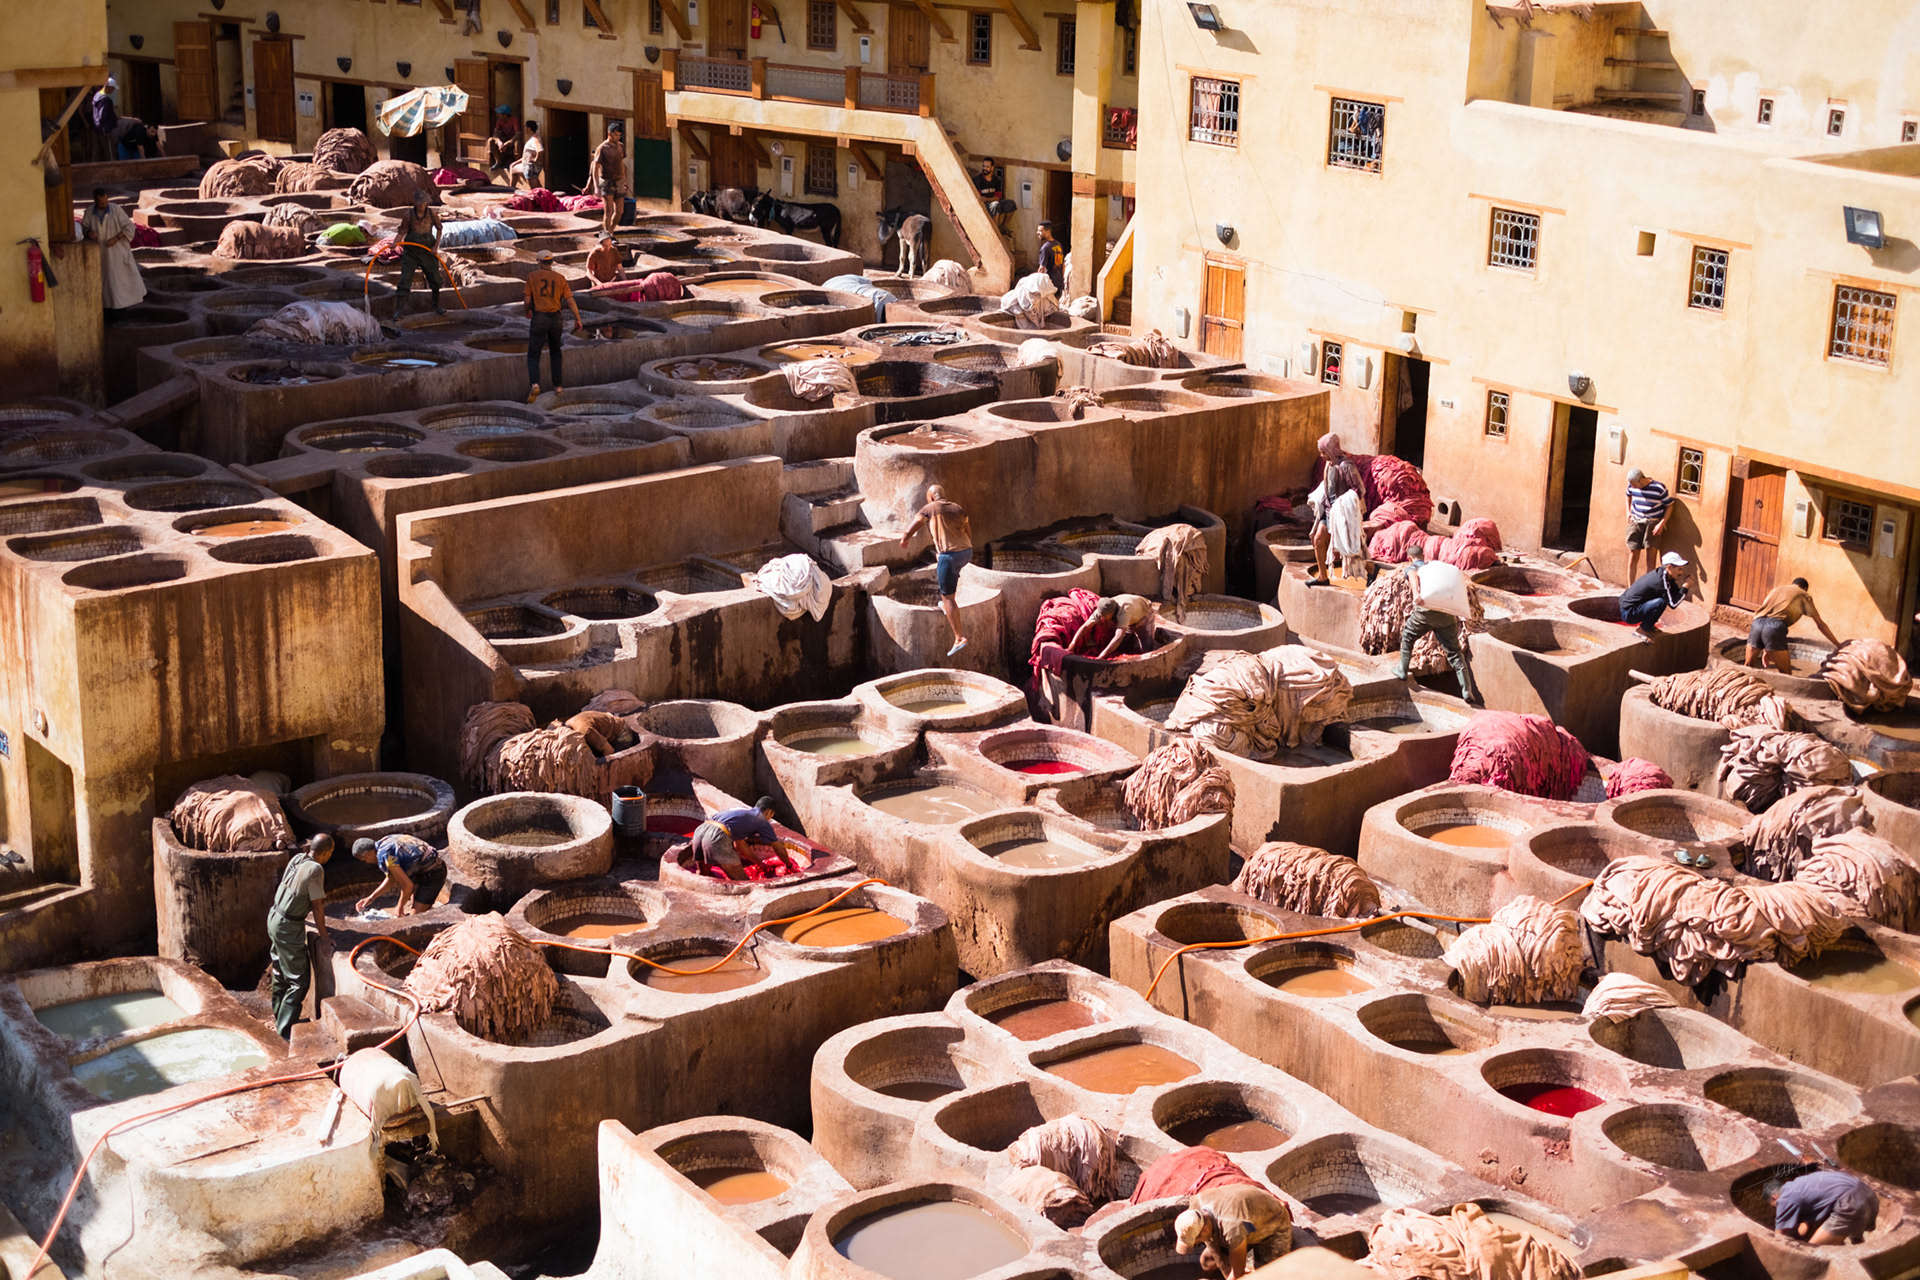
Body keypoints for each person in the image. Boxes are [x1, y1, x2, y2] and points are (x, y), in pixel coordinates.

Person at [1390, 545, 1481, 703]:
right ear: (1424, 556)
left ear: (1409, 558)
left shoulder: (1412, 567)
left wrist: (1416, 593)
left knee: (1408, 635)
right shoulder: (1432, 567)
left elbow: (1412, 576)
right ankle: (1466, 689)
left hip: (1425, 612)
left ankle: (1402, 670)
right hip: (1446, 614)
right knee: (1454, 652)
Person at [267, 835, 334, 1039]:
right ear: (326, 852)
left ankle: (279, 1016)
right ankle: (286, 1029)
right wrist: (324, 938)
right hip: (288, 927)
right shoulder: (316, 869)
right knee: (299, 981)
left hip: (274, 917)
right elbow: (317, 906)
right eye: (331, 853)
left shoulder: (298, 858)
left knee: (279, 970)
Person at [899, 484, 973, 656]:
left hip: (950, 556)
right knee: (945, 567)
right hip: (966, 552)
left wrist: (905, 538)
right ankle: (946, 604)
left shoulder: (930, 508)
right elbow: (968, 532)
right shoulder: (957, 508)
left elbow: (913, 527)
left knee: (948, 597)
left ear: (931, 497)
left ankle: (959, 637)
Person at [1173, 1183, 1292, 1279]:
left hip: (1272, 1229)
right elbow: (1211, 1243)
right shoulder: (1196, 1206)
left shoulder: (1232, 1227)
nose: (1197, 1243)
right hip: (1247, 1224)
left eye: (1197, 1241)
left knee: (1267, 1274)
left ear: (1204, 1230)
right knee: (1207, 1260)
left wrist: (1233, 1273)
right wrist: (1225, 1270)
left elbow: (1238, 1273)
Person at [1308, 431, 1368, 586]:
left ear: (1331, 450)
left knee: (1350, 549)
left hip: (1342, 514)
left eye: (1323, 452)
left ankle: (1371, 572)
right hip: (1329, 510)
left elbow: (1359, 489)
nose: (1321, 456)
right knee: (1318, 540)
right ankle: (1322, 577)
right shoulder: (1328, 465)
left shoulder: (1346, 466)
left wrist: (1343, 502)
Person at [1746, 577, 1841, 672]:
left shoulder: (1776, 590)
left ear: (1792, 584)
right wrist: (1838, 645)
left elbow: (1767, 615)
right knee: (1786, 673)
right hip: (1775, 627)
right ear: (1805, 589)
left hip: (1757, 623)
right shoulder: (1804, 595)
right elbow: (1820, 625)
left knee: (1747, 667)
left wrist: (1767, 649)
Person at [524, 249, 583, 400]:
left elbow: (527, 300)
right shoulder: (560, 278)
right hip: (556, 318)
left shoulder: (532, 276)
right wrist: (578, 318)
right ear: (551, 262)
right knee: (555, 352)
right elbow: (570, 300)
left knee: (534, 353)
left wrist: (527, 310)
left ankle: (535, 384)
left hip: (539, 318)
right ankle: (558, 386)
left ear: (539, 262)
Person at [79, 188, 146, 321]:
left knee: (118, 286)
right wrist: (88, 232)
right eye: (101, 203)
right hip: (101, 256)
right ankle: (108, 319)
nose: (105, 205)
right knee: (105, 287)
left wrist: (116, 238)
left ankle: (121, 319)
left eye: (106, 202)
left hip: (117, 255)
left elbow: (130, 227)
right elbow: (84, 227)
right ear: (95, 201)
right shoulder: (89, 212)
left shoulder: (116, 209)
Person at [1769, 1169, 1879, 1246]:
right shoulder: (1800, 1185)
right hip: (1869, 1195)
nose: (1778, 1210)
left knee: (1813, 1253)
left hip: (1850, 1202)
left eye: (1775, 1207)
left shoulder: (1785, 1199)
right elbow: (1806, 1226)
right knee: (1855, 1236)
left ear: (1774, 1197)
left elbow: (1778, 1240)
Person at [689, 797, 786, 882]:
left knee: (703, 875)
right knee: (744, 883)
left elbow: (739, 845)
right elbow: (778, 848)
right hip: (716, 836)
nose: (769, 819)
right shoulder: (761, 819)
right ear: (769, 812)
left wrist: (759, 863)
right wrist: (789, 865)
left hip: (700, 830)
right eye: (770, 816)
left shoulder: (742, 812)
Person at [351, 834, 447, 918]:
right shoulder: (385, 841)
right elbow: (391, 878)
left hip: (433, 872)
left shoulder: (384, 855)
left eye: (364, 860)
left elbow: (407, 885)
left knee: (415, 919)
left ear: (368, 854)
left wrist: (399, 906)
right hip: (425, 868)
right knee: (413, 901)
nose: (367, 862)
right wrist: (371, 898)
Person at [1619, 551, 1691, 642]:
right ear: (1669, 567)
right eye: (1679, 569)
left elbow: (1675, 594)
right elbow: (1673, 604)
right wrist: (1686, 586)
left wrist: (1683, 588)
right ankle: (1641, 630)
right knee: (1661, 602)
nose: (1681, 572)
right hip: (1629, 613)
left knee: (1661, 599)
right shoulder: (1660, 580)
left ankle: (1649, 625)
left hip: (1630, 608)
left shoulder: (1665, 575)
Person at [394, 191, 445, 316]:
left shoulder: (432, 214)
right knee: (405, 279)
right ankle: (399, 311)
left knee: (435, 278)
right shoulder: (408, 215)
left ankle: (436, 305)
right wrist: (395, 243)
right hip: (411, 252)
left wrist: (435, 247)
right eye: (419, 203)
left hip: (428, 251)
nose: (422, 206)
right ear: (415, 203)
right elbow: (402, 232)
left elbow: (439, 229)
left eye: (424, 203)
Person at [1069, 594, 1159, 660]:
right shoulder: (1103, 609)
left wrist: (1101, 657)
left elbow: (1118, 637)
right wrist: (1073, 644)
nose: (1102, 619)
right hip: (1130, 617)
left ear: (1112, 613)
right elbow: (1085, 626)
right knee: (1121, 647)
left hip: (1144, 615)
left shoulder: (1124, 612)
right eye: (1101, 616)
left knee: (1146, 650)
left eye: (1105, 617)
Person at [1624, 467, 1675, 581]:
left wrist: (1661, 523)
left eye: (1635, 485)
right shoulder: (1631, 486)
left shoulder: (1658, 488)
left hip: (1652, 524)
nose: (1633, 487)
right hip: (1636, 523)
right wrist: (1628, 511)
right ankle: (1630, 588)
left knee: (1650, 561)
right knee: (1632, 557)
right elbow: (1628, 494)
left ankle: (1647, 588)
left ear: (1642, 480)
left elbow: (1670, 505)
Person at [592, 121, 629, 238]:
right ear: (609, 134)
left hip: (619, 181)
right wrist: (596, 187)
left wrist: (625, 180)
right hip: (606, 182)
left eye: (619, 135)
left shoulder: (620, 146)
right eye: (616, 135)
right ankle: (606, 236)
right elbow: (595, 167)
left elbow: (621, 165)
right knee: (608, 211)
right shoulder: (602, 148)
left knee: (620, 211)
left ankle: (611, 231)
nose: (618, 137)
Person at [974, 157, 1015, 233]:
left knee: (1011, 204)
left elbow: (998, 197)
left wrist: (987, 199)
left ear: (992, 168)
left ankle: (1003, 227)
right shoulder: (977, 180)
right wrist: (989, 200)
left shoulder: (997, 180)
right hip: (985, 205)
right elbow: (980, 199)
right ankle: (995, 231)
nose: (984, 168)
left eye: (987, 167)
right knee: (995, 205)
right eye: (983, 166)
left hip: (993, 202)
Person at [510, 120, 545, 190]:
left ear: (528, 128)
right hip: (527, 165)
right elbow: (526, 155)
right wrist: (516, 162)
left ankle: (511, 190)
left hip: (531, 166)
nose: (524, 129)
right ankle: (511, 190)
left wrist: (535, 159)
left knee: (535, 189)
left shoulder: (535, 139)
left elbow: (540, 150)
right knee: (513, 170)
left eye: (525, 127)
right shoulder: (532, 138)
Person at [487, 105, 521, 177]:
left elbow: (518, 134)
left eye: (500, 114)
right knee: (491, 140)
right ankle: (498, 161)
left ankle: (515, 163)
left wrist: (508, 143)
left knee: (518, 143)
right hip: (504, 140)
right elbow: (496, 134)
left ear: (505, 115)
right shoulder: (499, 121)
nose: (498, 115)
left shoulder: (515, 120)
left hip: (512, 140)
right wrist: (499, 142)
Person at [1037, 221, 1065, 293]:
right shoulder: (1058, 244)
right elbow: (1063, 264)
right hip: (1059, 283)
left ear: (1047, 232)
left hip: (1049, 285)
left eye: (1040, 231)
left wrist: (1037, 284)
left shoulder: (1045, 248)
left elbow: (1042, 269)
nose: (1037, 233)